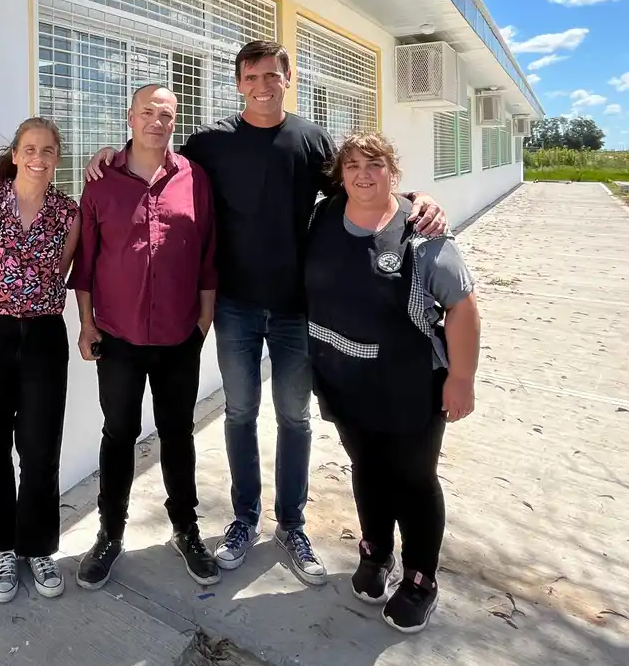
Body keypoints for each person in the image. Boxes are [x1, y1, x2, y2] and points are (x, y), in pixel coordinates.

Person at [86, 40, 445, 585]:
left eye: (271, 76)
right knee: (238, 414)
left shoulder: (310, 140)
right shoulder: (211, 144)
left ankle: (291, 524)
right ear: (237, 83)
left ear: (287, 78)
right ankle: (243, 519)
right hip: (234, 307)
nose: (261, 85)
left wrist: (416, 197)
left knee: (295, 419)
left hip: (297, 311)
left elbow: (362, 187)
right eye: (251, 76)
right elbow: (158, 160)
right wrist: (107, 155)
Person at [305, 131, 479, 634]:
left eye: (375, 164)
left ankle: (421, 579)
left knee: (413, 480)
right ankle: (376, 552)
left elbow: (463, 309)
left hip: (410, 386)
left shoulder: (424, 237)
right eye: (353, 165)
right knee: (367, 467)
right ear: (340, 175)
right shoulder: (320, 218)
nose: (363, 174)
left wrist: (462, 378)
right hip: (341, 379)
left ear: (392, 172)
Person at [72, 84, 219, 590]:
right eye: (148, 112)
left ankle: (186, 529)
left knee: (178, 434)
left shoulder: (194, 178)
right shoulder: (101, 181)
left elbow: (208, 256)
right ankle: (109, 535)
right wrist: (87, 324)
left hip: (181, 334)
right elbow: (85, 263)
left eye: (167, 114)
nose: (158, 121)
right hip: (117, 335)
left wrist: (203, 321)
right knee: (119, 436)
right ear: (130, 118)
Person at [0, 117, 81, 603]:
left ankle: (38, 546)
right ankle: (4, 547)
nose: (38, 158)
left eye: (48, 150)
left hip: (44, 335)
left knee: (40, 445)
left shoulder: (68, 213)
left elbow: (64, 269)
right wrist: (2, 306)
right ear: (15, 154)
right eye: (30, 148)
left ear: (56, 158)